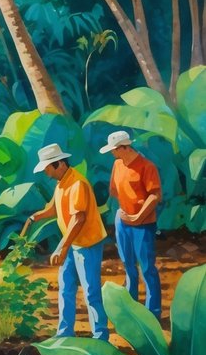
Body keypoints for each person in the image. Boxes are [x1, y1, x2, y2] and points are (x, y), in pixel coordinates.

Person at [26, 143, 109, 340]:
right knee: (65, 288)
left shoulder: (78, 184)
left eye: (47, 167)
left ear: (60, 164)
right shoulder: (61, 183)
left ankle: (100, 336)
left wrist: (61, 247)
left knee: (91, 291)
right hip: (72, 242)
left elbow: (78, 219)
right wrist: (35, 217)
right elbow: (53, 209)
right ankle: (65, 333)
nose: (46, 172)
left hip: (87, 243)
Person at [102, 131, 162, 318]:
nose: (112, 153)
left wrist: (137, 216)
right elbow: (113, 191)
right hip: (123, 222)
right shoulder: (117, 164)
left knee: (147, 268)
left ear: (124, 147)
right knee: (128, 264)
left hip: (143, 224)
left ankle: (153, 313)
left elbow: (155, 196)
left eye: (114, 149)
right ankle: (132, 309)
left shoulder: (147, 166)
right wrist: (125, 210)